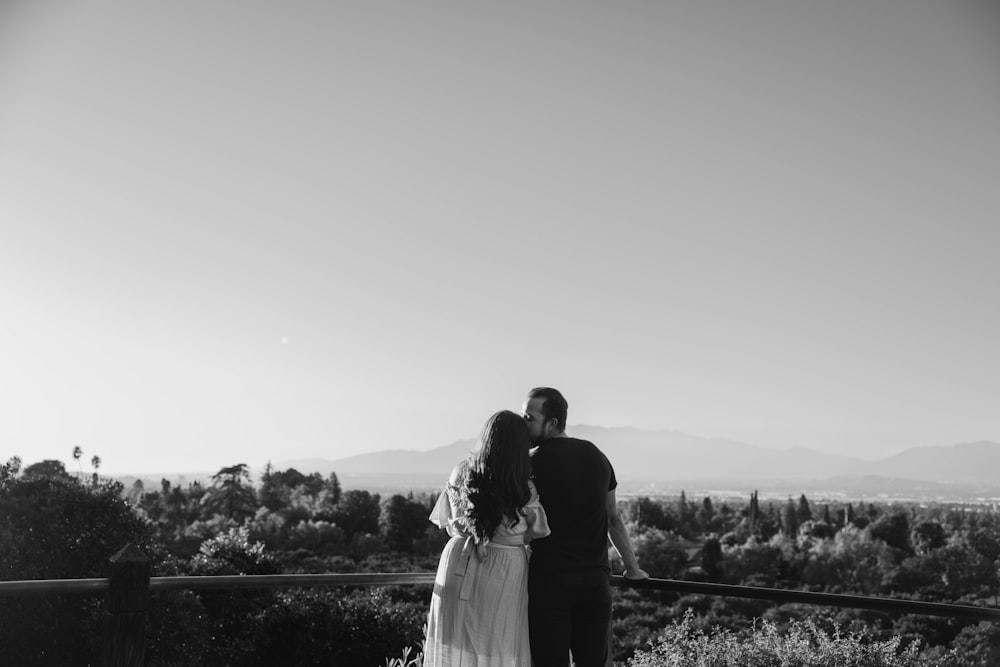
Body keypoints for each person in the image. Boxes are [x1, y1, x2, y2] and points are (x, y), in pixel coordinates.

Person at [523, 387, 649, 667]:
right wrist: (632, 568)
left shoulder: (530, 462)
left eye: (529, 417)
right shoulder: (597, 456)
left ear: (552, 423)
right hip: (595, 582)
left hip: (549, 582)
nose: (523, 423)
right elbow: (613, 519)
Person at [423, 410, 551, 666]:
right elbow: (537, 532)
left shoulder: (460, 473)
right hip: (505, 565)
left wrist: (476, 533)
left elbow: (448, 522)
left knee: (455, 637)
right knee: (499, 639)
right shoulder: (523, 486)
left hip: (459, 557)